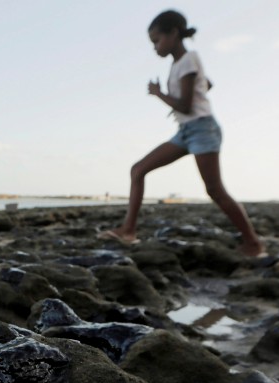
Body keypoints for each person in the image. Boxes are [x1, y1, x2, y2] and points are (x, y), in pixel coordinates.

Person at [100, 10, 265, 258]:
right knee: (138, 170)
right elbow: (207, 83)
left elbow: (186, 105)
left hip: (202, 128)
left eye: (157, 41)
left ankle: (253, 243)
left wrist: (157, 92)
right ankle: (128, 230)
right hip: (186, 131)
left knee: (215, 190)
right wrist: (199, 88)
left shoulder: (188, 59)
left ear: (173, 34)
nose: (155, 47)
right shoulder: (181, 64)